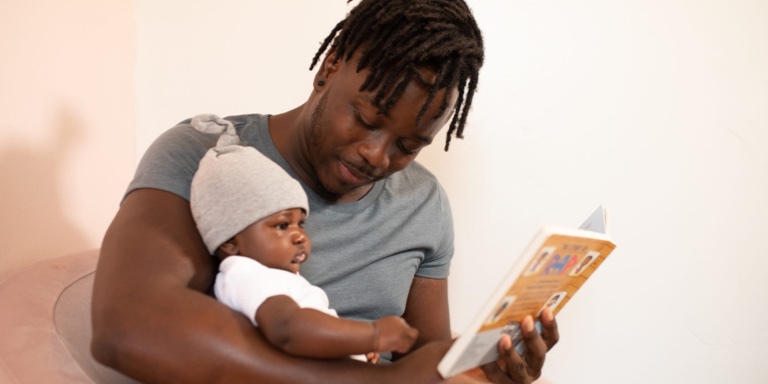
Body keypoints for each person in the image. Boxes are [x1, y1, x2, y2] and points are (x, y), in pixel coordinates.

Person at [91, 0, 560, 383]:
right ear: (329, 69)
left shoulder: (423, 202)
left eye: (408, 146)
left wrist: (488, 367)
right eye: (366, 119)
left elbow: (423, 353)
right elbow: (128, 326)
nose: (377, 157)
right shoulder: (207, 156)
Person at [189, 114, 417, 363]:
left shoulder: (274, 276)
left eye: (301, 223)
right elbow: (288, 329)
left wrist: (352, 351)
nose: (298, 235)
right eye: (283, 225)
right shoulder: (245, 275)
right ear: (230, 241)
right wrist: (371, 335)